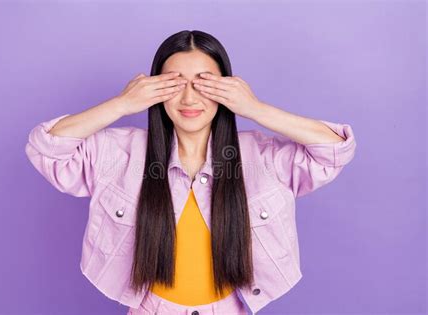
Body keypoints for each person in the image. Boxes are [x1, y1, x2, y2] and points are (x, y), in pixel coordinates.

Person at [25, 30, 357, 315]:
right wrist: (123, 103)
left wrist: (255, 108)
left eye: (204, 84)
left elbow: (333, 150)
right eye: (175, 84)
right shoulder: (120, 154)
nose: (188, 98)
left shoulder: (262, 157)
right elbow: (47, 148)